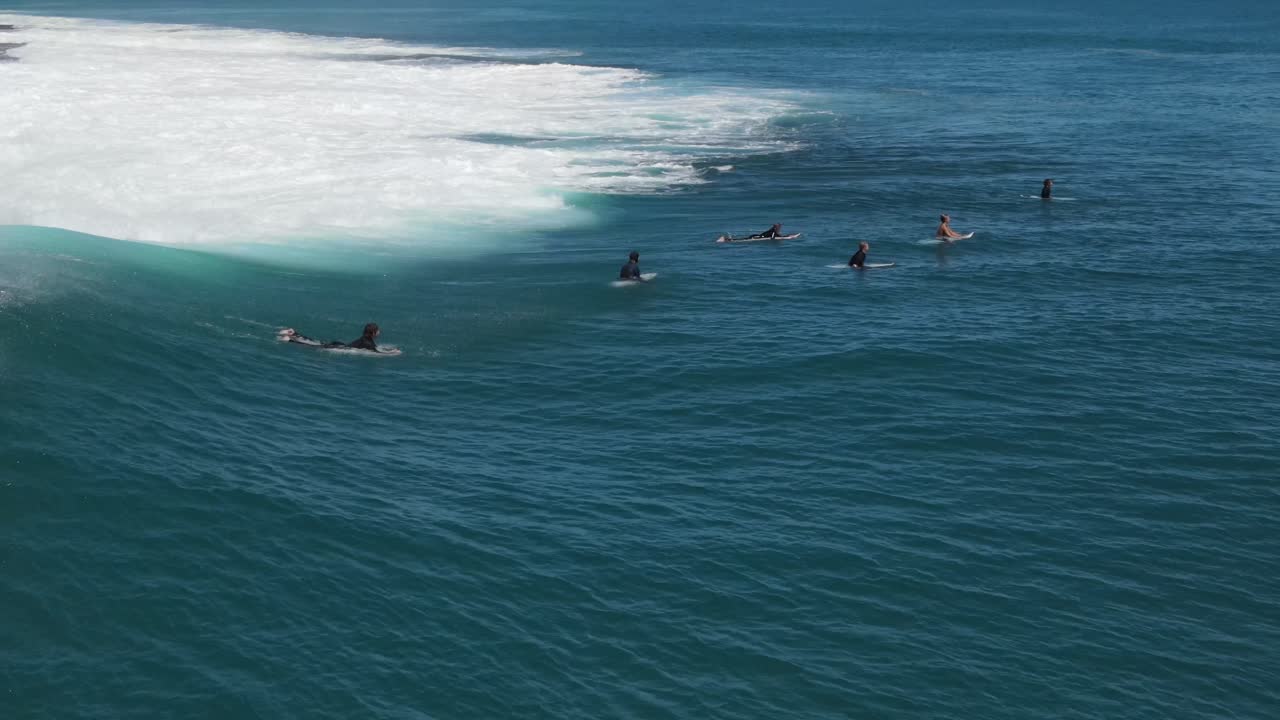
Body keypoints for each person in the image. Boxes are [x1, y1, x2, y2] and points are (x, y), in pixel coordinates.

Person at [281, 322, 382, 351]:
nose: (379, 332)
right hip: (339, 347)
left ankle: (294, 333)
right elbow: (377, 352)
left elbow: (375, 349)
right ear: (373, 333)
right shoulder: (368, 342)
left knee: (317, 342)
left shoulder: (366, 339)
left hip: (341, 345)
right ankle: (290, 340)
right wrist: (392, 352)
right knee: (315, 346)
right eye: (378, 331)